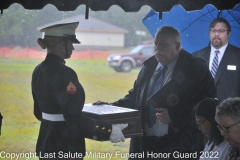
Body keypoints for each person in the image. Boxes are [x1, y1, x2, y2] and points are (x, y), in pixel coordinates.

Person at [94, 26, 216, 159]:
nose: (158, 49)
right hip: (144, 144)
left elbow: (208, 106)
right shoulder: (149, 66)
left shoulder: (196, 68)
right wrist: (111, 107)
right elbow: (135, 97)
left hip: (180, 145)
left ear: (177, 46)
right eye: (156, 44)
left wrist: (176, 116)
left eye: (163, 45)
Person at [31, 22, 127, 160]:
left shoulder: (38, 70)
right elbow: (73, 118)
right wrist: (109, 130)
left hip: (46, 141)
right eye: (70, 43)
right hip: (65, 145)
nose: (73, 47)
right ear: (62, 45)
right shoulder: (65, 74)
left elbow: (38, 113)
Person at [193, 18, 240, 102]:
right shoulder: (197, 56)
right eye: (213, 31)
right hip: (201, 112)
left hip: (229, 111)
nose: (216, 34)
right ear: (209, 33)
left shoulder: (237, 55)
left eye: (221, 31)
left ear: (228, 33)